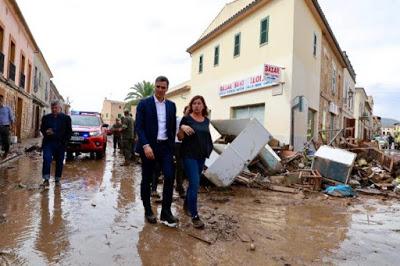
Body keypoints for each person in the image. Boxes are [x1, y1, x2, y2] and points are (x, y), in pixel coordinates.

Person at [135, 75, 178, 226]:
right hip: (149, 147)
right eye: (158, 87)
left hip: (165, 147)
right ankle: (148, 210)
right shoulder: (144, 104)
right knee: (146, 179)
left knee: (169, 176)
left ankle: (166, 212)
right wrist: (145, 145)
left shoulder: (171, 106)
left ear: (167, 89)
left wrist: (172, 148)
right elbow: (139, 127)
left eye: (163, 87)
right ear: (155, 86)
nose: (160, 90)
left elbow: (172, 128)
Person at [177, 95, 213, 229]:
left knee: (193, 184)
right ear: (191, 106)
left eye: (199, 103)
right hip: (189, 156)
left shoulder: (206, 121)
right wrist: (182, 129)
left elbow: (208, 137)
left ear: (203, 106)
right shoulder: (186, 119)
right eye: (194, 103)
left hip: (201, 156)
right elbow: (180, 138)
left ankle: (187, 204)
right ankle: (195, 215)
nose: (197, 106)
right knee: (195, 183)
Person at [40, 100, 72, 187]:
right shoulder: (46, 118)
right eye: (52, 108)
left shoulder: (66, 118)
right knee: (46, 159)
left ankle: (57, 179)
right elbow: (42, 129)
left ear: (60, 108)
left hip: (60, 143)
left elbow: (69, 132)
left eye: (56, 108)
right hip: (48, 143)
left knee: (59, 161)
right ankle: (46, 179)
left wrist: (65, 142)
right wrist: (46, 132)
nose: (54, 109)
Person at [174, 106, 190, 198]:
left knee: (184, 166)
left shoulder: (190, 121)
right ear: (184, 111)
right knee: (180, 166)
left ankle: (178, 184)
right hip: (178, 144)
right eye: (188, 111)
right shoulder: (178, 120)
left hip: (187, 146)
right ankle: (180, 188)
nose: (189, 112)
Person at [0, 95, 15, 159]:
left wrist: (12, 127)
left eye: (0, 100)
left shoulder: (7, 108)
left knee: (6, 141)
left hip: (5, 127)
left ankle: (6, 152)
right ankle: (1, 152)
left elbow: (11, 118)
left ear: (3, 100)